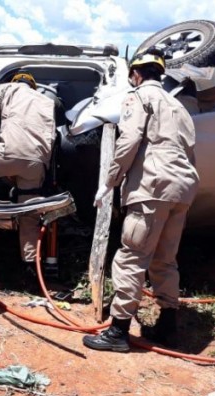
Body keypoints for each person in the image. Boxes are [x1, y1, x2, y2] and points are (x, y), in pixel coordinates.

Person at [82, 47, 200, 352]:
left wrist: (108, 183)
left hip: (152, 188)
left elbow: (129, 141)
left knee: (132, 257)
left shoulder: (137, 97)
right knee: (165, 259)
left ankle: (118, 331)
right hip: (183, 190)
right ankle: (167, 326)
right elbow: (190, 151)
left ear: (135, 73)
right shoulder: (179, 107)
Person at [0, 71, 56, 272]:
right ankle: (30, 264)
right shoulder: (46, 101)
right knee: (29, 211)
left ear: (16, 81)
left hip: (6, 154)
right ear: (32, 85)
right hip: (37, 162)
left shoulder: (6, 88)